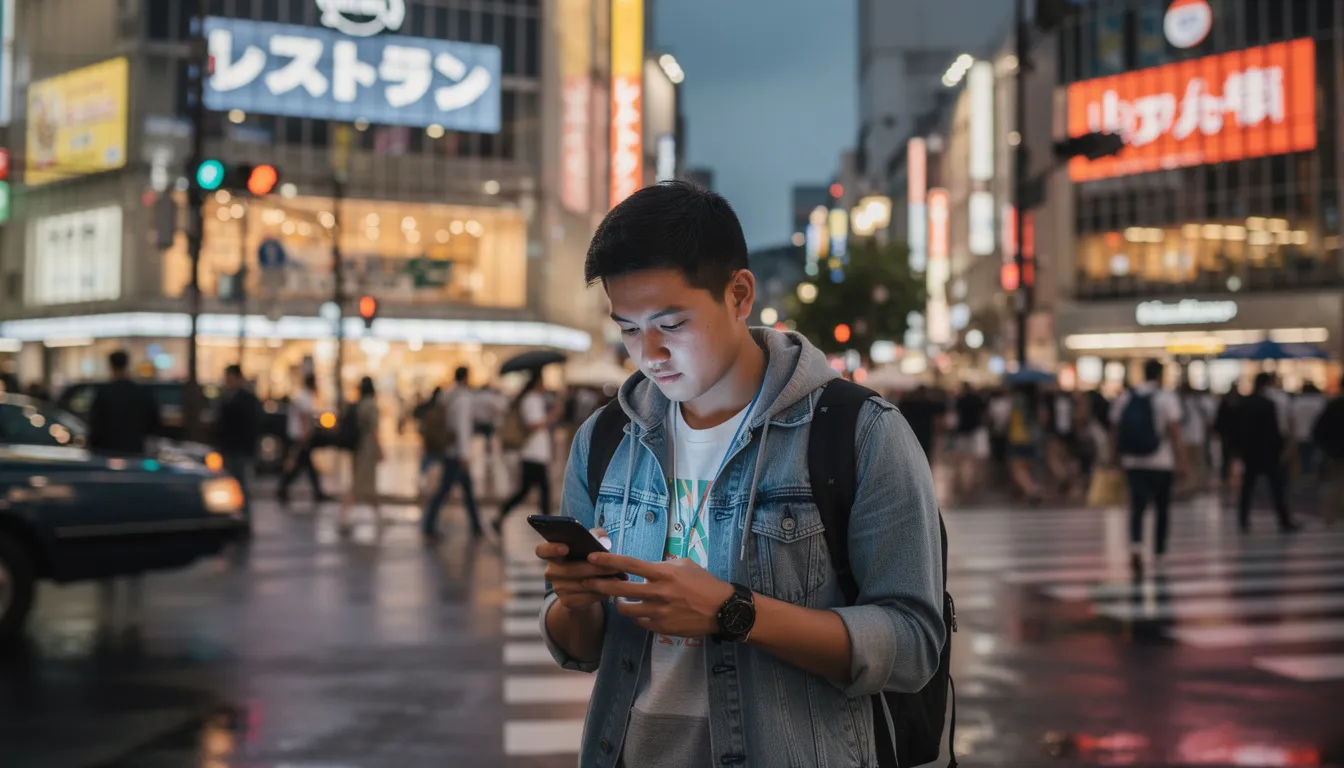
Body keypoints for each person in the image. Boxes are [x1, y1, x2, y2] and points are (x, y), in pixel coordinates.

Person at [534, 181, 944, 766]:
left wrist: (736, 612)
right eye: (628, 328)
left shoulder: (858, 432)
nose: (648, 353)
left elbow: (912, 645)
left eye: (671, 325)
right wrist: (574, 602)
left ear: (740, 294)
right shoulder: (606, 439)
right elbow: (583, 649)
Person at [1111, 360, 1186, 571]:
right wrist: (1182, 460)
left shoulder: (1127, 396)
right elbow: (1174, 432)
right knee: (1162, 507)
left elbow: (1115, 429)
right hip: (1161, 461)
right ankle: (1159, 551)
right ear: (1160, 375)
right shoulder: (1166, 397)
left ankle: (1136, 546)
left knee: (1137, 506)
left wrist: (1113, 457)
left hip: (1133, 461)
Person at [495, 372, 564, 530]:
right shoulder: (531, 400)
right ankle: (548, 525)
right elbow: (534, 424)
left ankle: (501, 517)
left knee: (528, 489)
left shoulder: (532, 399)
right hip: (533, 452)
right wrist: (553, 414)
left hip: (535, 452)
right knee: (540, 489)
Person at [423, 367, 483, 540]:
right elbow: (463, 427)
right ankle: (429, 525)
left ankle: (476, 526)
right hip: (457, 452)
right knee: (445, 489)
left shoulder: (449, 396)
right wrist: (464, 454)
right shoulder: (463, 399)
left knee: (465, 490)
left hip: (450, 449)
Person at [1237, 372, 1300, 533]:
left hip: (1250, 453)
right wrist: (1280, 448)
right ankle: (1284, 520)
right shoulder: (1267, 404)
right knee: (1276, 487)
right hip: (1268, 453)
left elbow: (1238, 430)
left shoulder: (1244, 403)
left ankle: (1243, 520)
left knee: (1247, 488)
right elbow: (1273, 431)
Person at [213, 365, 260, 528]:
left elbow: (252, 425)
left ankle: (244, 518)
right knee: (229, 483)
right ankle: (231, 517)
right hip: (228, 447)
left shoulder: (246, 399)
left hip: (241, 448)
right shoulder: (225, 397)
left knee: (242, 484)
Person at [88, 350, 161, 455]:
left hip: (108, 449)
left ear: (111, 366)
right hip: (135, 448)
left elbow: (96, 423)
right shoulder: (141, 392)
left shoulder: (104, 393)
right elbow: (154, 422)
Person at [338, 376, 383, 537]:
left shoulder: (359, 405)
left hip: (359, 447)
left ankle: (379, 516)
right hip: (367, 447)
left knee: (367, 484)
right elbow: (375, 430)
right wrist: (380, 449)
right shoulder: (371, 405)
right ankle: (343, 516)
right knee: (360, 484)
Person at [278, 374, 331, 505]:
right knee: (298, 464)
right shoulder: (305, 397)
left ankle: (315, 491)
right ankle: (283, 488)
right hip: (300, 437)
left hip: (299, 436)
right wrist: (305, 436)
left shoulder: (303, 396)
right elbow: (304, 418)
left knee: (305, 465)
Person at [1313, 375, 1344, 526]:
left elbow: (1318, 429)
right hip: (1336, 451)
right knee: (1337, 483)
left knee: (1335, 483)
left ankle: (1330, 515)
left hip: (1334, 451)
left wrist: (1326, 447)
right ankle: (1332, 515)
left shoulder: (1332, 405)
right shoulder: (1333, 405)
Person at [1291, 381, 1328, 482]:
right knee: (1315, 458)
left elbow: (1292, 420)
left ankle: (1304, 478)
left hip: (1300, 434)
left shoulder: (1297, 402)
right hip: (1317, 435)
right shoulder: (1320, 401)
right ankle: (1314, 477)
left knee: (1303, 458)